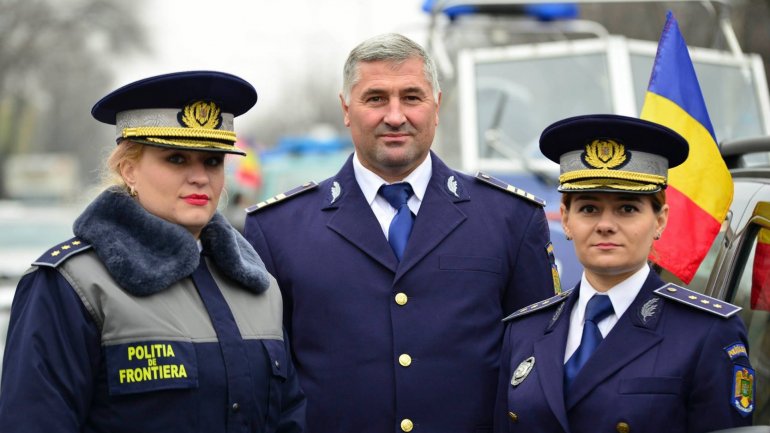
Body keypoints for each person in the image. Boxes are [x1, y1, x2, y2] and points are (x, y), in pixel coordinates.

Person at [243, 33, 558, 433]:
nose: (395, 116)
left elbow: (536, 371)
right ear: (346, 109)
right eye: (375, 99)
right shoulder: (278, 230)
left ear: (437, 106)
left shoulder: (510, 218)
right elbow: (269, 384)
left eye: (411, 97)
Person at [0, 71, 305, 433]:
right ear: (128, 170)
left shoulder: (260, 287)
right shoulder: (73, 285)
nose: (199, 177)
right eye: (176, 159)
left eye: (212, 161)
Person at [493, 114, 755, 433]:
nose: (605, 224)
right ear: (565, 219)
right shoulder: (524, 331)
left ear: (660, 220)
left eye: (627, 209)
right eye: (589, 208)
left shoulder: (706, 333)